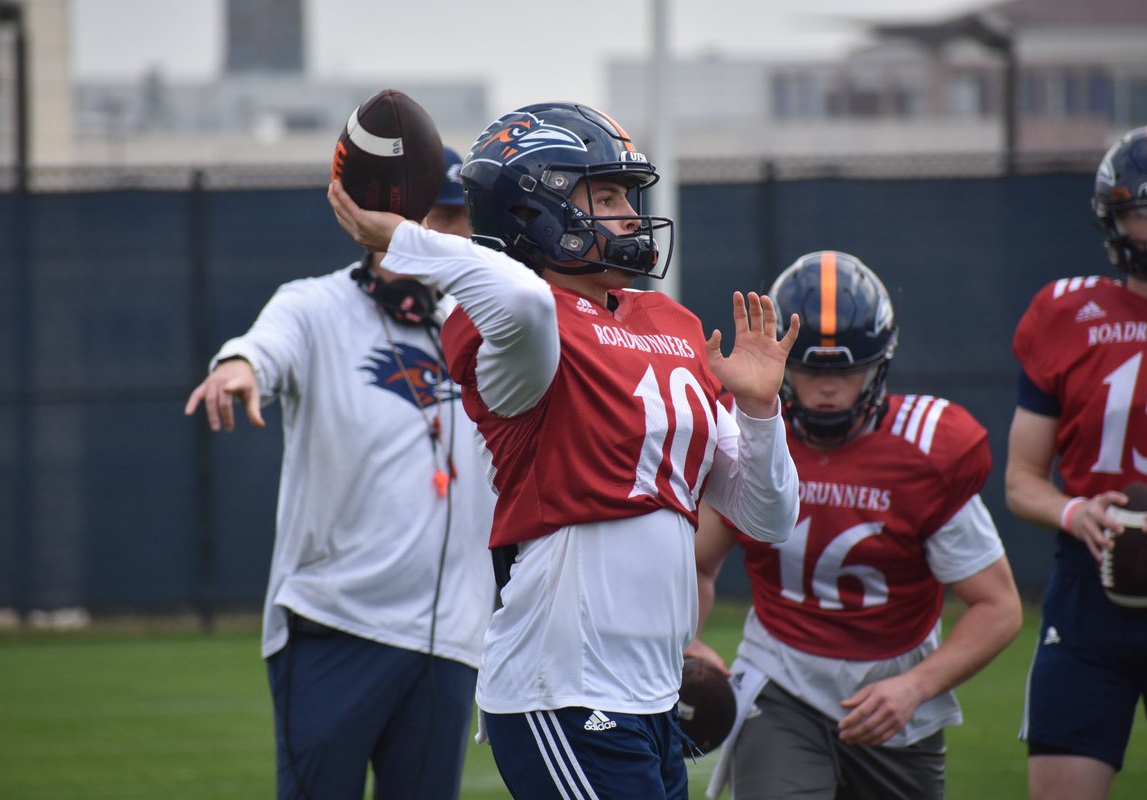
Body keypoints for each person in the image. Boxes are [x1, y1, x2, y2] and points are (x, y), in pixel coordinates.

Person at [327, 101, 801, 799]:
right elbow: (522, 304)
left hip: (651, 690)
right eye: (605, 195)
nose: (632, 216)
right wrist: (406, 239)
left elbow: (769, 518)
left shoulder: (670, 321)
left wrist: (761, 409)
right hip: (565, 687)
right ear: (530, 210)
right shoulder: (517, 331)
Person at [184, 146, 496, 800]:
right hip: (333, 631)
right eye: (434, 216)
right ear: (386, 220)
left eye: (458, 218)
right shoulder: (314, 307)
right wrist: (237, 367)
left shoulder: (486, 333)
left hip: (449, 643)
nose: (448, 234)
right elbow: (262, 350)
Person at [687, 251, 1023, 799]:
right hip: (780, 677)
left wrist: (917, 686)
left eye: (845, 372)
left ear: (879, 365)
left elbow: (999, 605)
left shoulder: (927, 449)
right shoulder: (754, 439)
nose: (826, 391)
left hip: (893, 688)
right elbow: (699, 562)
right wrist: (687, 637)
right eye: (811, 370)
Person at [1006, 126, 1147, 800]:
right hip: (1090, 588)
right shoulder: (1067, 312)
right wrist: (1074, 510)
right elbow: (1021, 482)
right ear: (1114, 219)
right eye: (1143, 211)